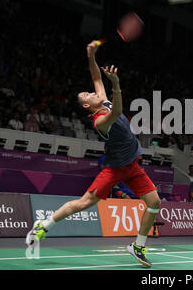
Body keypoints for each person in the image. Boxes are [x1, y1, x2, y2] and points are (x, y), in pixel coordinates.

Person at [26, 40, 161, 268]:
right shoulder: (100, 121)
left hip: (132, 165)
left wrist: (91, 56)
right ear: (88, 106)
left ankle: (137, 246)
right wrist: (116, 84)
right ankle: (43, 225)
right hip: (116, 168)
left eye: (89, 92)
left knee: (154, 202)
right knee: (84, 203)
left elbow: (96, 77)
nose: (92, 92)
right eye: (87, 95)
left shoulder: (104, 101)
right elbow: (118, 110)